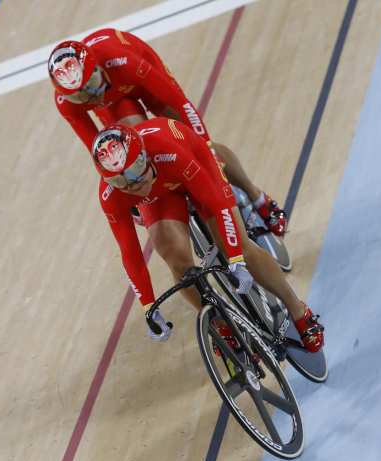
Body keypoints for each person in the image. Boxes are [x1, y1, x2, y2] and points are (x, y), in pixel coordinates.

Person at [92, 119, 323, 352]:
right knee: (178, 264)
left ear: (145, 155)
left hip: (192, 164)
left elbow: (217, 204)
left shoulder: (168, 151)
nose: (131, 184)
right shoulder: (111, 195)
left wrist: (236, 259)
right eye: (120, 179)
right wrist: (149, 308)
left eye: (134, 169)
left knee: (239, 247)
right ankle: (221, 325)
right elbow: (130, 254)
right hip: (159, 193)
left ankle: (297, 310)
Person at [48, 30, 286, 236]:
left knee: (201, 146)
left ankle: (258, 198)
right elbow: (96, 147)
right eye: (80, 95)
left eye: (91, 84)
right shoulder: (66, 103)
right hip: (117, 103)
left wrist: (204, 144)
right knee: (131, 151)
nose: (90, 96)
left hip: (142, 79)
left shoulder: (121, 59)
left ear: (97, 67)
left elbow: (178, 101)